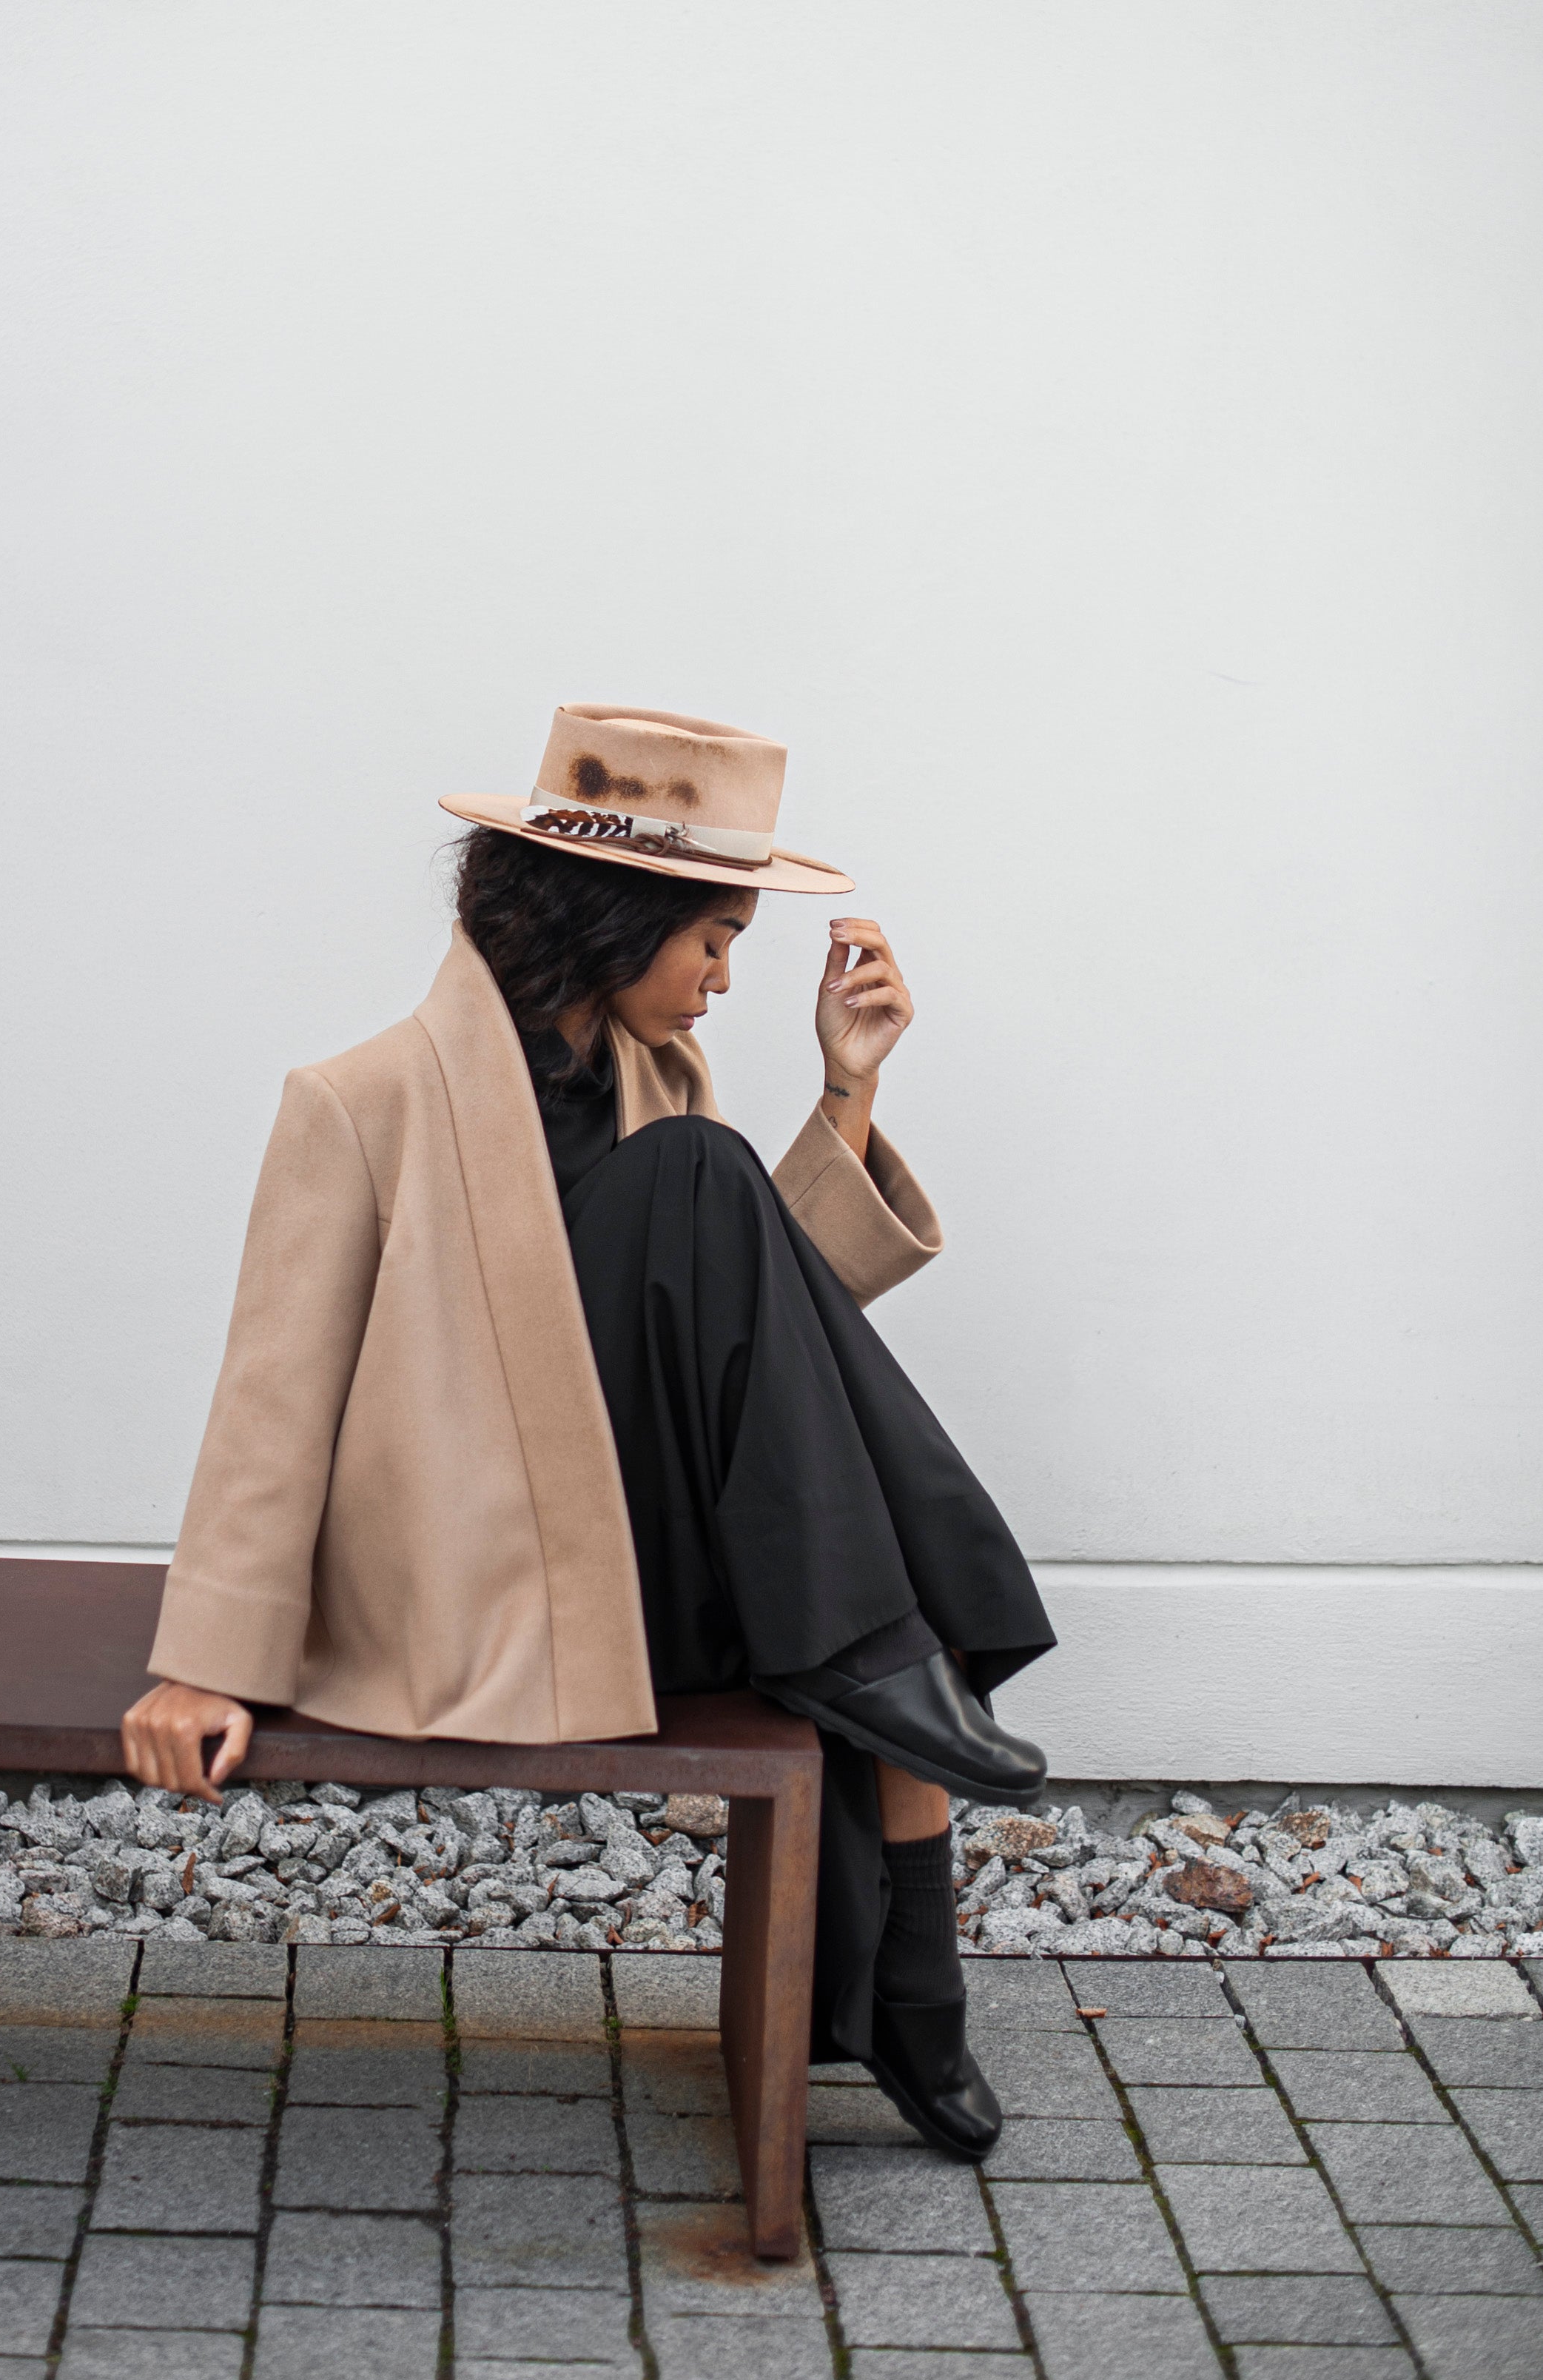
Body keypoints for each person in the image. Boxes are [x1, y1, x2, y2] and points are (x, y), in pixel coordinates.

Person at [122, 703, 1053, 2156]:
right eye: (709, 943)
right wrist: (203, 1663)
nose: (723, 982)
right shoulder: (360, 1101)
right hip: (488, 1586)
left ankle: (891, 1763)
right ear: (612, 917)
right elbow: (273, 1390)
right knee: (710, 1200)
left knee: (709, 1190)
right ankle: (905, 1864)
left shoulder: (653, 1085)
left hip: (630, 1563)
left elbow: (762, 1324)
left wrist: (845, 1091)